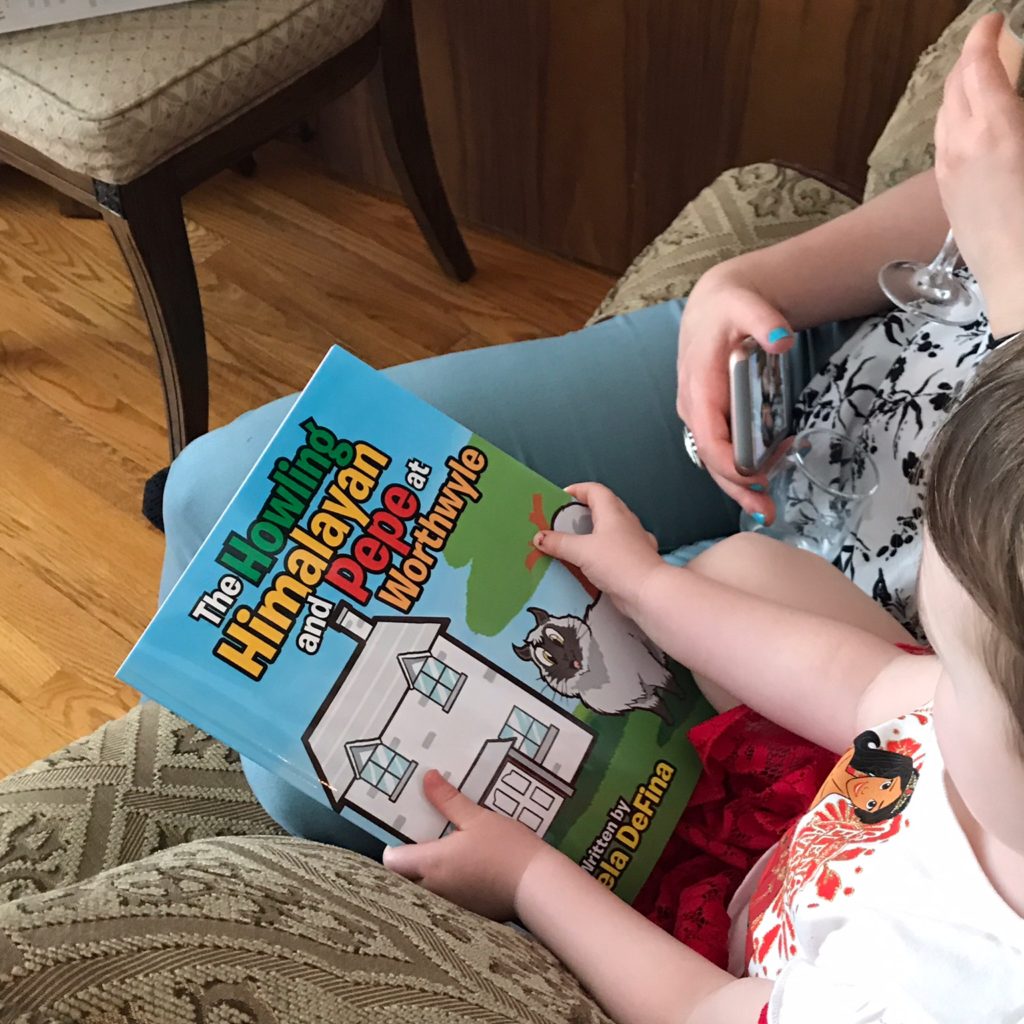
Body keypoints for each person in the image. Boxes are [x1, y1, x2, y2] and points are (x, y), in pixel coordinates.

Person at [161, 10, 1016, 864]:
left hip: (928, 607)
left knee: (306, 786)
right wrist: (746, 281)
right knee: (219, 483)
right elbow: (986, 168)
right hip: (847, 356)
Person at [380, 23, 1024, 1021]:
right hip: (848, 824)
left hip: (746, 961)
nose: (931, 680)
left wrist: (530, 880)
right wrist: (648, 584)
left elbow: (698, 1008)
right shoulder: (979, 713)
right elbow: (865, 683)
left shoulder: (919, 995)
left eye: (946, 654)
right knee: (737, 577)